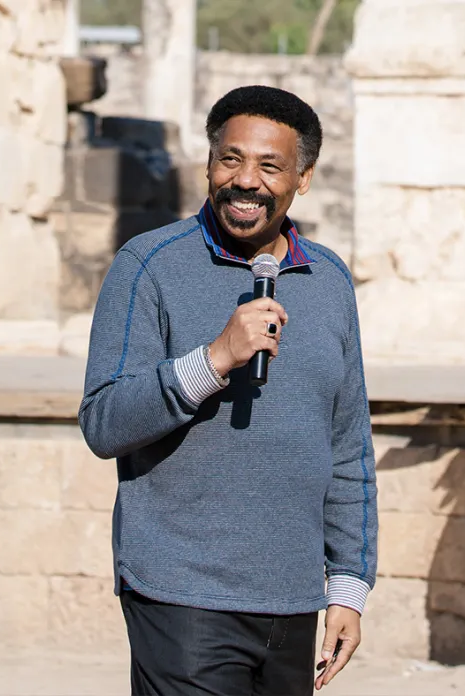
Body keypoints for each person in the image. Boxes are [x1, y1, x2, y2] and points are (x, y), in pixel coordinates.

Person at [78, 84, 378, 695]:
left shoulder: (329, 279)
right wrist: (213, 361)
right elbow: (103, 422)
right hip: (180, 594)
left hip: (293, 597)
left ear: (304, 178)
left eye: (270, 166)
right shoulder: (148, 264)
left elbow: (348, 445)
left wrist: (349, 583)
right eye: (231, 159)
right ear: (208, 166)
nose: (246, 181)